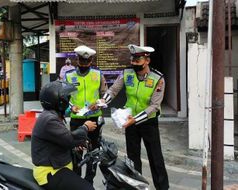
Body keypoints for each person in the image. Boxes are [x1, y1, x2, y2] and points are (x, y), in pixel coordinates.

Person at [101, 44, 169, 190]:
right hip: (130, 122)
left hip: (148, 122)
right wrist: (102, 101)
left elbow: (154, 106)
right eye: (133, 60)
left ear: (147, 61)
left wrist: (135, 119)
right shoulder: (127, 73)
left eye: (137, 60)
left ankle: (163, 188)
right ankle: (135, 187)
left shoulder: (158, 78)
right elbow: (113, 90)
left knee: (155, 158)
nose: (133, 63)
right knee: (132, 158)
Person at [31, 81, 96, 190]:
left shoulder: (51, 115)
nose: (68, 100)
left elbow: (61, 138)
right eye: (66, 97)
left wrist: (76, 144)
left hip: (58, 167)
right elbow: (70, 139)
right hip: (50, 172)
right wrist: (85, 127)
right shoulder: (49, 119)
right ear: (58, 101)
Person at [64, 45, 108, 185]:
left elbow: (105, 95)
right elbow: (63, 96)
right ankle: (77, 182)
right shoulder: (69, 75)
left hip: (94, 119)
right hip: (76, 120)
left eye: (87, 62)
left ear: (91, 61)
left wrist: (100, 103)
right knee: (76, 153)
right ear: (77, 60)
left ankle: (89, 182)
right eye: (81, 61)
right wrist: (72, 106)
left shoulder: (98, 74)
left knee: (93, 152)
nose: (84, 64)